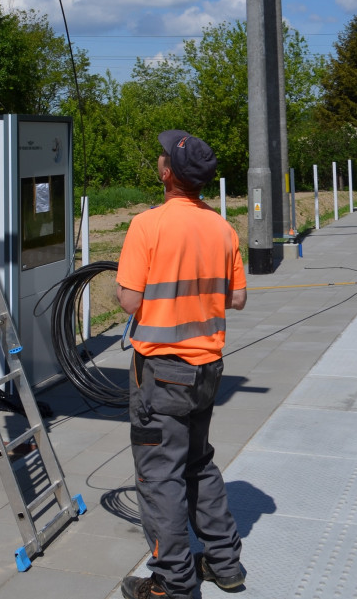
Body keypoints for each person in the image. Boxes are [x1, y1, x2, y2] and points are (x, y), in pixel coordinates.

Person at [116, 130, 247, 599]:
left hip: (162, 373)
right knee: (199, 463)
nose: (158, 157)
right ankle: (225, 564)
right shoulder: (222, 227)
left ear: (169, 173)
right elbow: (239, 298)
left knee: (159, 477)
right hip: (208, 369)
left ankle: (172, 583)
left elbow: (129, 300)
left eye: (163, 156)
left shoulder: (147, 226)